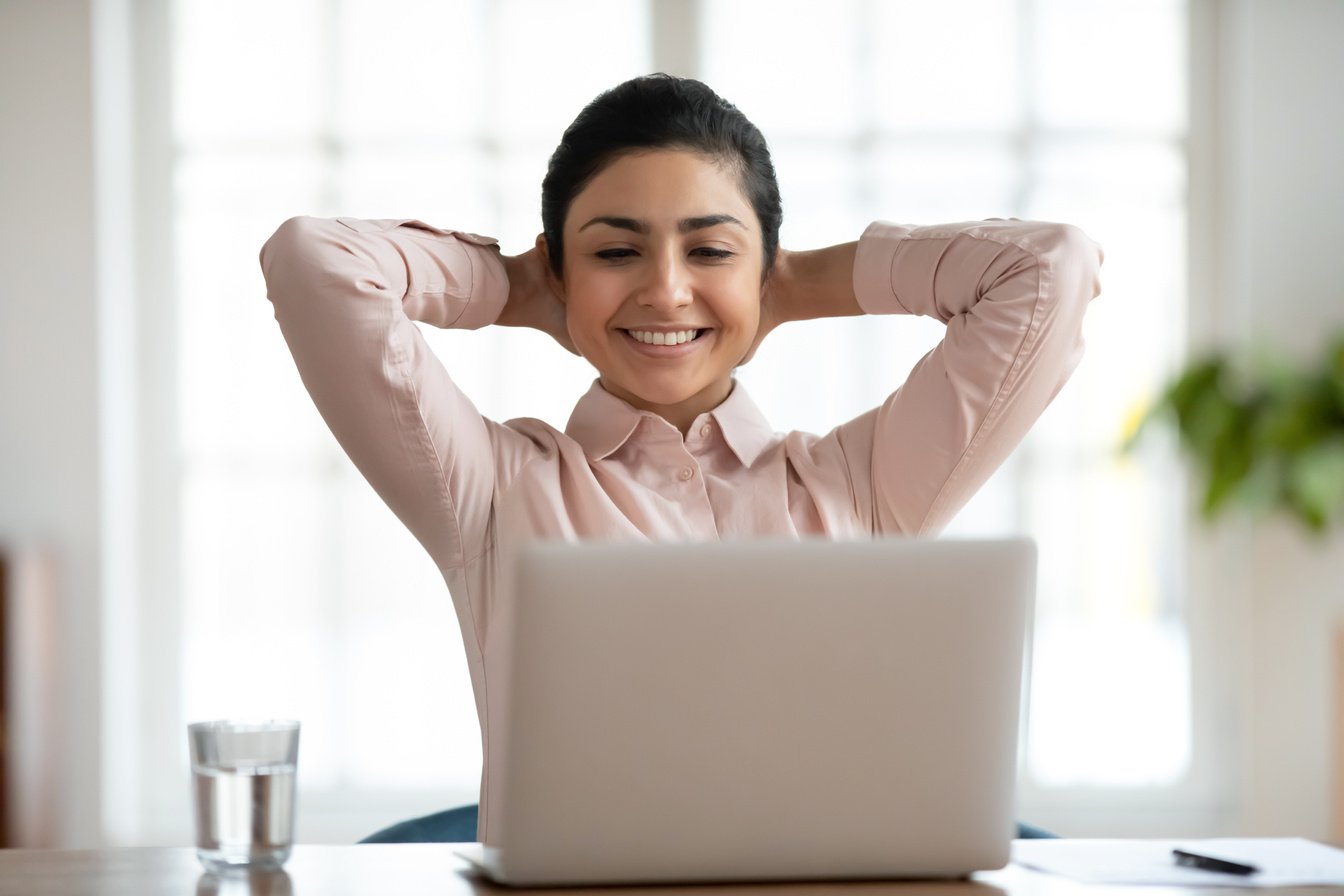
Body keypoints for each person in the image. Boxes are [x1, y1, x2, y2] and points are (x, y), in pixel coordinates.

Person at [260, 74, 1102, 844]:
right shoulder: (491, 488)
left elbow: (1047, 270)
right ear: (560, 266)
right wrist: (520, 288)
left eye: (710, 250)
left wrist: (795, 284)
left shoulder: (860, 487)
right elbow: (316, 261)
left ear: (764, 266)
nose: (665, 290)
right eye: (615, 251)